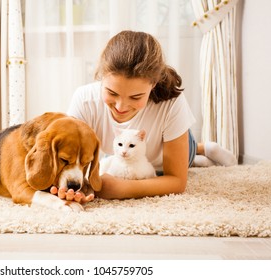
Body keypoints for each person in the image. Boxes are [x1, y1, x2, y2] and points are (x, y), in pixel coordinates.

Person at [50, 30, 237, 203]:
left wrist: (122, 188)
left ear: (153, 84)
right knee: (116, 153)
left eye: (136, 97)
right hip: (126, 153)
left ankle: (202, 149)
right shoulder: (84, 100)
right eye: (112, 93)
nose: (121, 107)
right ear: (101, 77)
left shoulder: (172, 102)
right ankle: (200, 158)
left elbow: (177, 181)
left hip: (168, 152)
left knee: (186, 156)